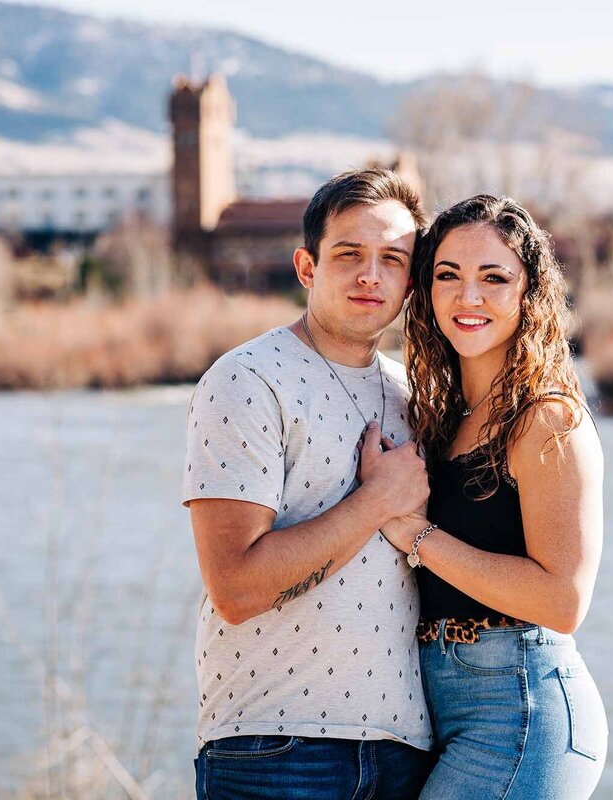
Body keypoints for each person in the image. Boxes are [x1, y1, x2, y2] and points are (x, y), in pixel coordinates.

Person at [182, 168, 435, 799]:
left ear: (411, 280)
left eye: (392, 259)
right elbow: (236, 587)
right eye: (349, 254)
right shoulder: (246, 380)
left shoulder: (417, 395)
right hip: (274, 749)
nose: (370, 275)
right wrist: (375, 501)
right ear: (306, 267)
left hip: (406, 752)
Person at [381, 195, 608, 798]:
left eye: (494, 278)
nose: (468, 297)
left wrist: (418, 537)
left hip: (522, 709)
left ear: (528, 293)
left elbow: (563, 600)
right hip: (437, 709)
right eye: (448, 275)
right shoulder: (442, 416)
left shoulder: (547, 419)